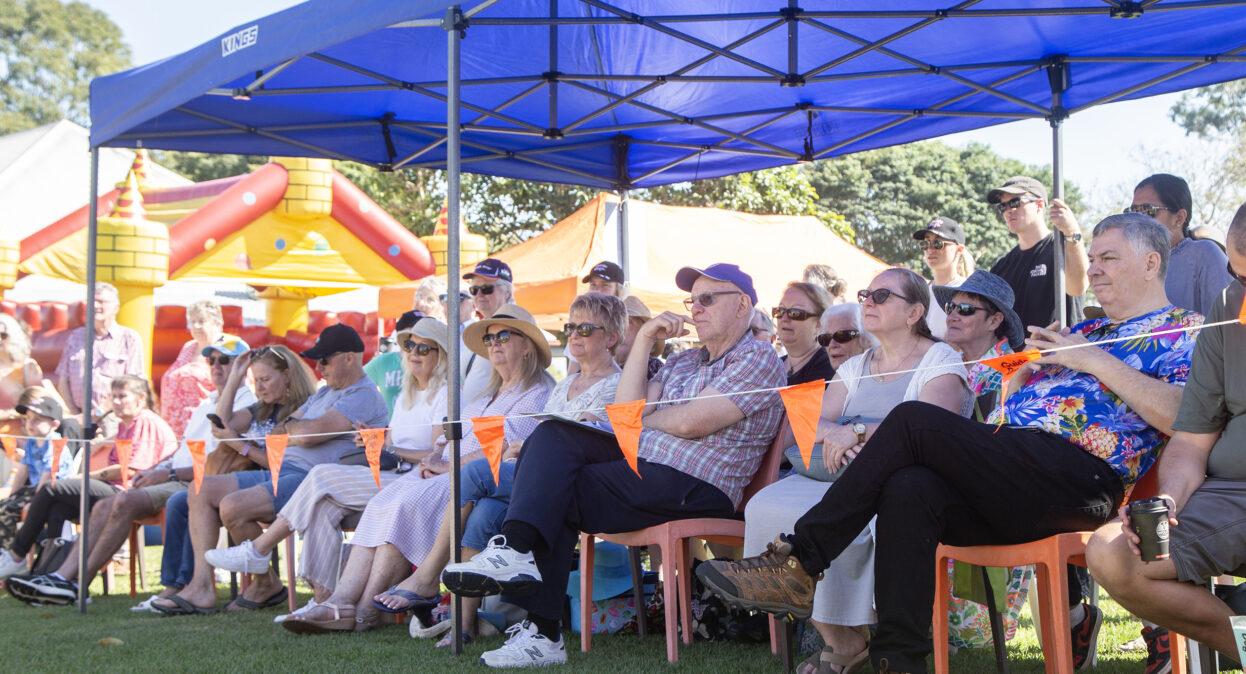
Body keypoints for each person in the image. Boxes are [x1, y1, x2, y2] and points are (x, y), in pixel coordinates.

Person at [696, 214, 1201, 674]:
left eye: (1107, 257)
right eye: (1092, 258)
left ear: (1151, 262)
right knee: (910, 488)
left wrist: (1094, 360)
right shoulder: (1086, 328)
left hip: (1079, 479)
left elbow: (1184, 415)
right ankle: (899, 661)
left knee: (913, 420)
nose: (1093, 269)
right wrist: (1029, 371)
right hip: (1009, 465)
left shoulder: (1185, 330)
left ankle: (799, 561)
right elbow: (1017, 388)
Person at [440, 263, 786, 668]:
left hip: (699, 483)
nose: (696, 308)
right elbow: (624, 413)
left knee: (555, 474)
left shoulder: (758, 357)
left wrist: (644, 421)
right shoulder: (683, 362)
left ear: (743, 305)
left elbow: (692, 422)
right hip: (646, 470)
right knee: (550, 441)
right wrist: (643, 340)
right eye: (693, 300)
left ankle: (533, 605)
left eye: (708, 299)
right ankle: (535, 613)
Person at [745, 267, 970, 674]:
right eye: (867, 294)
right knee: (765, 507)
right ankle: (841, 639)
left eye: (882, 296)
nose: (868, 301)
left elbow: (932, 425)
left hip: (908, 483)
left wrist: (857, 433)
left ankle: (884, 636)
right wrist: (837, 434)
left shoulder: (941, 359)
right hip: (838, 475)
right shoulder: (856, 366)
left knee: (888, 512)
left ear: (914, 312)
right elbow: (812, 424)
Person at [281, 304, 554, 634]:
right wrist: (433, 459)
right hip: (444, 472)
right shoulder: (484, 395)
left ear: (527, 346)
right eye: (490, 337)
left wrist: (444, 465)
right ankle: (341, 601)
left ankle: (366, 610)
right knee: (383, 502)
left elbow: (504, 452)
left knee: (404, 506)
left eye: (504, 335)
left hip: (480, 482)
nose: (494, 343)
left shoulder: (538, 394)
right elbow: (447, 441)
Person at [372, 293, 625, 644]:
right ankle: (462, 624)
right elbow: (535, 439)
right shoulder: (565, 385)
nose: (575, 335)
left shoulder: (616, 384)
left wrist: (527, 446)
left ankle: (428, 578)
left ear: (612, 337)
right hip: (534, 474)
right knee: (484, 511)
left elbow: (590, 441)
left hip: (574, 482)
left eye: (585, 328)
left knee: (472, 476)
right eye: (570, 328)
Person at [1086, 201, 1246, 673]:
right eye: (1239, 276)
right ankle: (1239, 637)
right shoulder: (1227, 308)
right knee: (1114, 553)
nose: (1243, 293)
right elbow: (1193, 437)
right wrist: (1170, 501)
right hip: (1231, 495)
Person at [206, 319, 451, 613]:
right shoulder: (405, 395)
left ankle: (260, 549)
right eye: (409, 346)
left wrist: (386, 445)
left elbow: (437, 455)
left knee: (320, 477)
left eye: (423, 348)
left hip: (416, 480)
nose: (413, 353)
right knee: (322, 507)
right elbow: (279, 432)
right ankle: (325, 601)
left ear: (442, 354)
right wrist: (376, 440)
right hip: (390, 472)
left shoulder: (444, 394)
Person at [8, 338, 256, 606]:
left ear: (243, 365)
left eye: (225, 360)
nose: (216, 366)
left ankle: (57, 575)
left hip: (199, 482)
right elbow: (184, 450)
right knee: (102, 505)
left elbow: (218, 460)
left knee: (72, 491)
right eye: (211, 360)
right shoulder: (208, 401)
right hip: (176, 476)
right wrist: (157, 469)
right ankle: (62, 578)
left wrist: (165, 474)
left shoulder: (247, 404)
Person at [151, 330, 381, 615]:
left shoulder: (362, 394)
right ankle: (202, 586)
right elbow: (279, 430)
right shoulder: (324, 393)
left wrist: (282, 434)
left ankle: (264, 583)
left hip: (311, 479)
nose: (319, 368)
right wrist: (237, 377)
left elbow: (304, 434)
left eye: (324, 361)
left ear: (350, 358)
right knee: (200, 488)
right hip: (285, 471)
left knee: (231, 506)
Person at [0, 376, 177, 580]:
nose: (116, 402)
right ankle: (49, 573)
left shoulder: (144, 421)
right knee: (59, 508)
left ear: (140, 398)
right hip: (116, 488)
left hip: (133, 492)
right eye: (114, 396)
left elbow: (130, 470)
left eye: (122, 396)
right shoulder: (125, 425)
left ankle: (17, 555)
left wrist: (83, 477)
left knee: (51, 488)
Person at [986, 176, 1088, 328]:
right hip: (1017, 352)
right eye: (1003, 206)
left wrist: (1072, 232)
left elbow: (1078, 287)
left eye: (1015, 203)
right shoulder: (1002, 266)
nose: (1008, 211)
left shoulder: (1062, 247)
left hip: (1058, 350)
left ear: (1039, 205)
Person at [1128, 173, 1232, 316]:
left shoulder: (1204, 254)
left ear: (1179, 217)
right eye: (1133, 212)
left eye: (1148, 211)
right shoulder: (1130, 263)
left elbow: (1228, 323)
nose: (1138, 220)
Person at [934, 270, 1025, 417]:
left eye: (965, 309)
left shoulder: (1012, 372)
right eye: (950, 307)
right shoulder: (948, 363)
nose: (951, 317)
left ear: (994, 321)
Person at [53, 282, 145, 420]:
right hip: (77, 417)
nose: (95, 306)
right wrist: (76, 415)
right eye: (92, 301)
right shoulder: (76, 337)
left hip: (113, 417)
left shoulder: (129, 338)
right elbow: (63, 380)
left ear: (116, 308)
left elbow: (132, 384)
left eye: (101, 302)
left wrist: (98, 413)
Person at [0, 391, 70, 552]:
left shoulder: (55, 444)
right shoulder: (32, 442)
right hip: (34, 490)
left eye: (37, 419)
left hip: (53, 491)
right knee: (4, 505)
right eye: (28, 418)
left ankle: (12, 554)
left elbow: (47, 479)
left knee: (6, 511)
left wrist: (35, 503)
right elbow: (22, 472)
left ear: (54, 424)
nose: (30, 423)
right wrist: (12, 497)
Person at [160, 300, 226, 437]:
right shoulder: (189, 347)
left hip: (202, 431)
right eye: (192, 321)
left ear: (217, 324)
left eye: (201, 321)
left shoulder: (226, 352)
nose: (195, 326)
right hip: (173, 430)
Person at [462, 258, 515, 404]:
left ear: (507, 293)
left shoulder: (517, 329)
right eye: (474, 290)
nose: (479, 294)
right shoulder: (479, 328)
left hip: (497, 419)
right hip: (473, 419)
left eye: (486, 289)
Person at [914, 216, 972, 338]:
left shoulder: (969, 294)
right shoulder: (920, 292)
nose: (930, 249)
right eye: (925, 243)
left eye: (938, 243)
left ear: (959, 249)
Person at [364, 309, 424, 414]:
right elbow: (355, 382)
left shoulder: (434, 361)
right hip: (392, 427)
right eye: (412, 332)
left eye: (423, 331)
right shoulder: (383, 362)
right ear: (400, 335)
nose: (418, 337)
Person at [774, 281, 834, 385]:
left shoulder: (828, 367)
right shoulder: (772, 366)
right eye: (780, 311)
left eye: (796, 313)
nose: (784, 318)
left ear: (819, 324)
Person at [0, 313, 44, 435]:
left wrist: (8, 414)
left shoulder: (27, 367)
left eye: (3, 335)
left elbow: (40, 404)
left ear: (14, 337)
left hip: (17, 432)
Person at [614, 295, 664, 380]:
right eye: (615, 322)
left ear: (643, 331)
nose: (619, 328)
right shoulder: (600, 365)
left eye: (628, 322)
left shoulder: (652, 366)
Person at [817, 304, 874, 374]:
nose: (832, 345)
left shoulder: (882, 377)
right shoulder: (822, 378)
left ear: (868, 339)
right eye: (826, 338)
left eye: (841, 336)